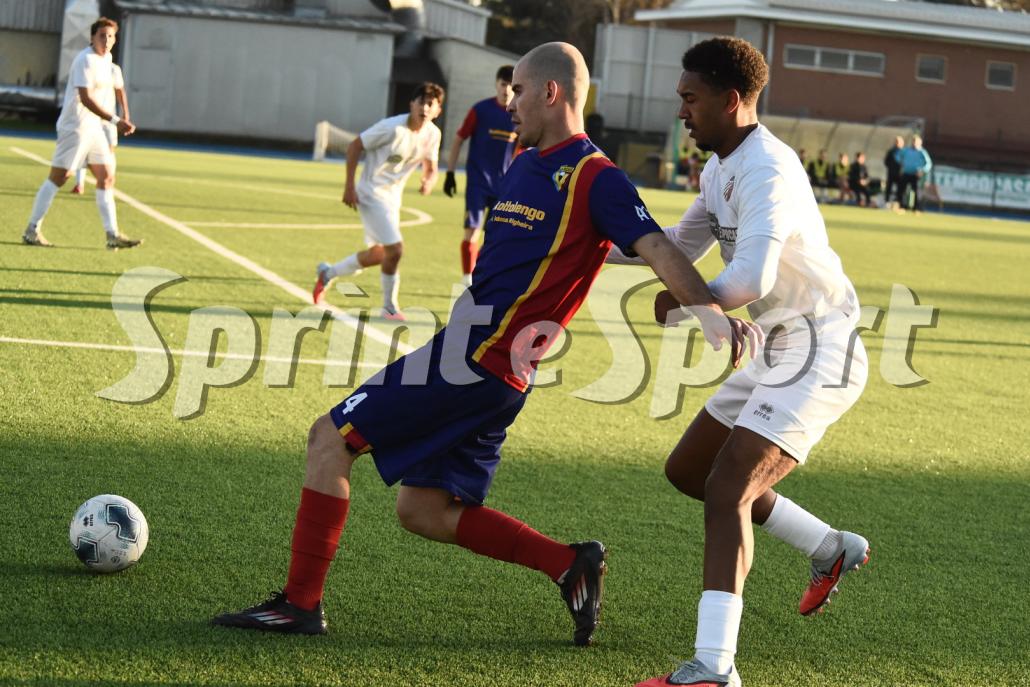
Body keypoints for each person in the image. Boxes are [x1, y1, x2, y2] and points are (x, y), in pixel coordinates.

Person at [212, 41, 746, 649]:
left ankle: (299, 604)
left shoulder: (595, 177)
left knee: (329, 439)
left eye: (519, 90)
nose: (509, 102)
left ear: (551, 92)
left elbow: (657, 248)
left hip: (476, 360)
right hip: (488, 367)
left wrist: (708, 311)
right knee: (423, 509)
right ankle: (568, 563)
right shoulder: (525, 161)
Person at [620, 37, 869, 687]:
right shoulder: (719, 166)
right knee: (690, 470)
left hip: (821, 347)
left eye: (690, 98)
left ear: (731, 100)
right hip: (779, 346)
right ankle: (828, 545)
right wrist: (587, 230)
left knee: (730, 486)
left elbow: (751, 276)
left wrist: (689, 305)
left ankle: (714, 667)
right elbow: (676, 243)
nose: (681, 111)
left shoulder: (767, 169)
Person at [312, 82, 444, 319]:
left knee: (380, 254)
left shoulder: (433, 134)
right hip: (371, 193)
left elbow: (431, 167)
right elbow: (355, 146)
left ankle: (327, 273)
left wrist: (428, 180)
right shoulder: (391, 128)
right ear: (411, 104)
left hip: (393, 198)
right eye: (421, 102)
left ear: (437, 110)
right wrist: (349, 186)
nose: (424, 108)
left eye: (430, 104)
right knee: (396, 250)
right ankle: (389, 307)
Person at [21, 17, 141, 250]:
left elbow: (117, 91)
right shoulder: (85, 59)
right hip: (75, 127)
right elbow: (86, 99)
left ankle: (112, 234)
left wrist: (121, 117)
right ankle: (31, 230)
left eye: (110, 36)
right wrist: (116, 120)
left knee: (106, 176)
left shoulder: (107, 61)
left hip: (95, 129)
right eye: (102, 35)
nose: (106, 40)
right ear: (92, 37)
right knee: (59, 177)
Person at [443, 65, 518, 287]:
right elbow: (459, 138)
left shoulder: (518, 116)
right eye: (503, 84)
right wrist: (450, 173)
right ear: (496, 84)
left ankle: (482, 278)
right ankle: (468, 281)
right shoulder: (480, 110)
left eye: (511, 86)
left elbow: (523, 151)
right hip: (478, 183)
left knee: (495, 239)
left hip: (504, 187)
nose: (506, 90)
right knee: (472, 231)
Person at [70, 61, 127, 195]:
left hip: (108, 119)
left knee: (109, 150)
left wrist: (125, 113)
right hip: (88, 118)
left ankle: (109, 181)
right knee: (83, 150)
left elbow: (120, 91)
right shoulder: (88, 66)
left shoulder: (114, 69)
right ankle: (79, 184)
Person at [895, 134, 932, 213]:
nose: (915, 143)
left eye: (917, 142)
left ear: (920, 143)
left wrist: (922, 171)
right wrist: (901, 164)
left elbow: (929, 164)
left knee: (916, 191)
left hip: (916, 174)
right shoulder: (906, 150)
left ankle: (916, 208)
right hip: (906, 173)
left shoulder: (922, 152)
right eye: (914, 141)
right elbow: (897, 156)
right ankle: (902, 207)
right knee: (902, 190)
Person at [883, 135, 904, 210]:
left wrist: (902, 169)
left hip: (900, 174)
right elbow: (886, 161)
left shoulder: (904, 152)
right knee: (888, 188)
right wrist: (891, 167)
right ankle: (887, 202)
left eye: (899, 142)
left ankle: (898, 203)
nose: (897, 143)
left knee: (900, 189)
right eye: (896, 141)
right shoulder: (891, 151)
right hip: (891, 173)